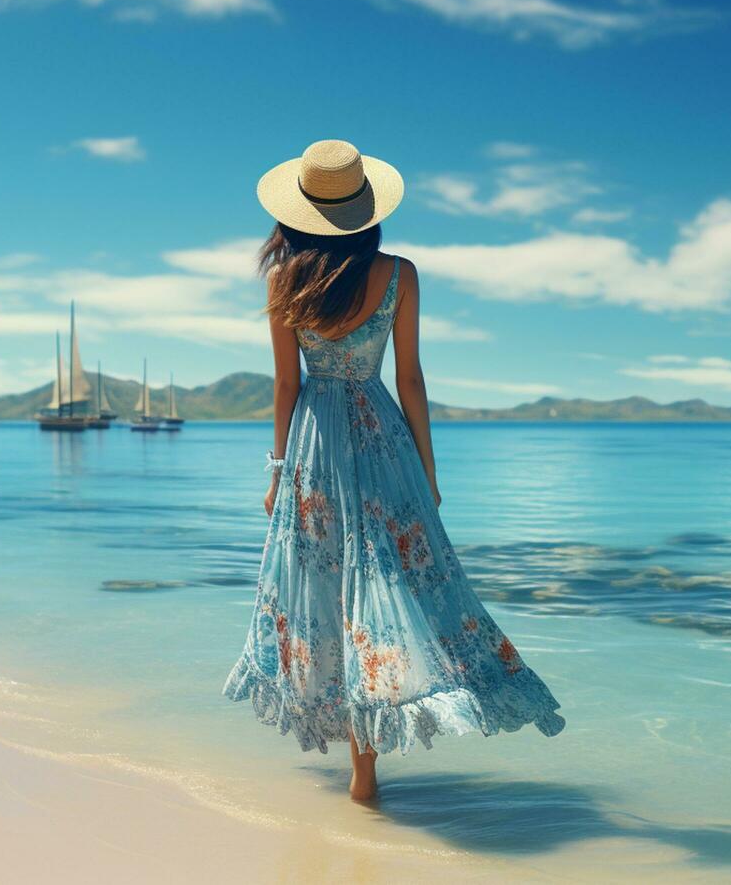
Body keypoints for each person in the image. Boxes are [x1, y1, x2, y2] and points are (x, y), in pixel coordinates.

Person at [224, 140, 565, 802]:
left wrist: (275, 472)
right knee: (386, 587)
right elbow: (409, 378)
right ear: (364, 209)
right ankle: (365, 768)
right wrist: (427, 472)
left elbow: (285, 388)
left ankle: (361, 771)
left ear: (296, 215)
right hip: (384, 442)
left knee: (330, 592)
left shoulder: (283, 281)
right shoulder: (400, 274)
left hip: (314, 444)